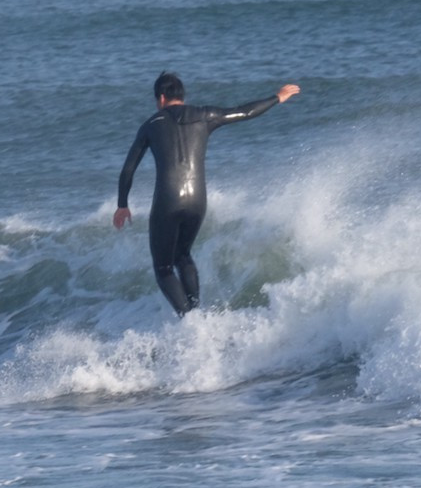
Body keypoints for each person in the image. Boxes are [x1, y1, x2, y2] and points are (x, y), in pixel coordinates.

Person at [113, 72, 300, 317]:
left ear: (160, 98)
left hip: (168, 202)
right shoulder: (204, 115)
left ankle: (189, 320)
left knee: (163, 268)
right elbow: (244, 112)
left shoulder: (150, 125)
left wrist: (122, 204)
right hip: (197, 201)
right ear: (182, 95)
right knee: (183, 255)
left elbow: (128, 169)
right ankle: (197, 313)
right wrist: (278, 97)